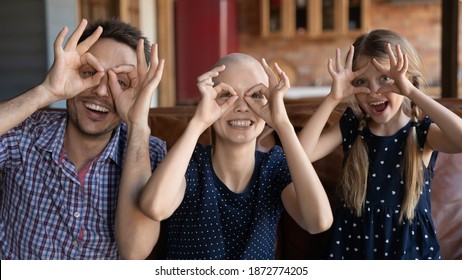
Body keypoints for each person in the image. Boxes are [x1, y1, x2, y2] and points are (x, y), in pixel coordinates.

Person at [126, 53, 332, 260]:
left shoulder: (273, 166)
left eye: (255, 95)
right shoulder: (189, 162)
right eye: (226, 94)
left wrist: (282, 123)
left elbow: (318, 221)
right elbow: (155, 207)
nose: (241, 107)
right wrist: (199, 121)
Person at [0, 18, 166, 259]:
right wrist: (46, 91)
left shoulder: (151, 154)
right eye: (90, 73)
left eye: (120, 82)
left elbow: (135, 251)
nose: (100, 91)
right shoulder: (26, 133)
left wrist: (137, 123)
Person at [299, 29, 462, 259]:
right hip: (353, 250)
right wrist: (332, 98)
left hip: (409, 253)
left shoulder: (421, 132)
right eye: (362, 81)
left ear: (408, 80)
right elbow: (299, 156)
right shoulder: (353, 126)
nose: (374, 91)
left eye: (385, 78)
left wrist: (411, 91)